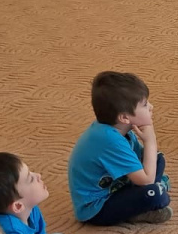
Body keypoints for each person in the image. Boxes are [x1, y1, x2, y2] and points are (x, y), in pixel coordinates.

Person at [68, 71, 171, 225]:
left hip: (119, 186)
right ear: (124, 117)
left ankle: (141, 198)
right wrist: (150, 140)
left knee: (157, 158)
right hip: (97, 208)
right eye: (144, 105)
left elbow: (140, 159)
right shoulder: (110, 141)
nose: (151, 107)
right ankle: (135, 212)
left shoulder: (117, 129)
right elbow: (146, 180)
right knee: (156, 195)